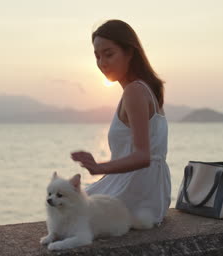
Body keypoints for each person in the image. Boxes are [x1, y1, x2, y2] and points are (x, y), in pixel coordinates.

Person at [71, 20, 171, 229]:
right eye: (97, 56)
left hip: (137, 193)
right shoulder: (146, 90)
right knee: (68, 203)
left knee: (68, 211)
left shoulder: (134, 91)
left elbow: (143, 156)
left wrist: (99, 167)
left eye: (109, 54)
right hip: (152, 195)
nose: (102, 63)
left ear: (129, 53)